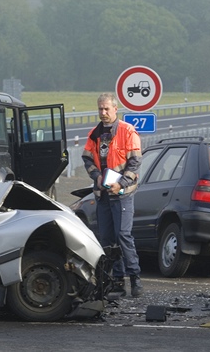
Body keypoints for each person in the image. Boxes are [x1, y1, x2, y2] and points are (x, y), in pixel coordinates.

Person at [82, 93, 143, 298]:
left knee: (123, 235)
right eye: (100, 109)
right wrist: (97, 176)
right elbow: (87, 158)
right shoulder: (95, 134)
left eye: (107, 109)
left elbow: (135, 162)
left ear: (115, 109)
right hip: (103, 193)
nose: (103, 113)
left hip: (123, 193)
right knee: (107, 238)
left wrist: (121, 183)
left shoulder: (127, 131)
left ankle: (135, 279)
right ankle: (117, 280)